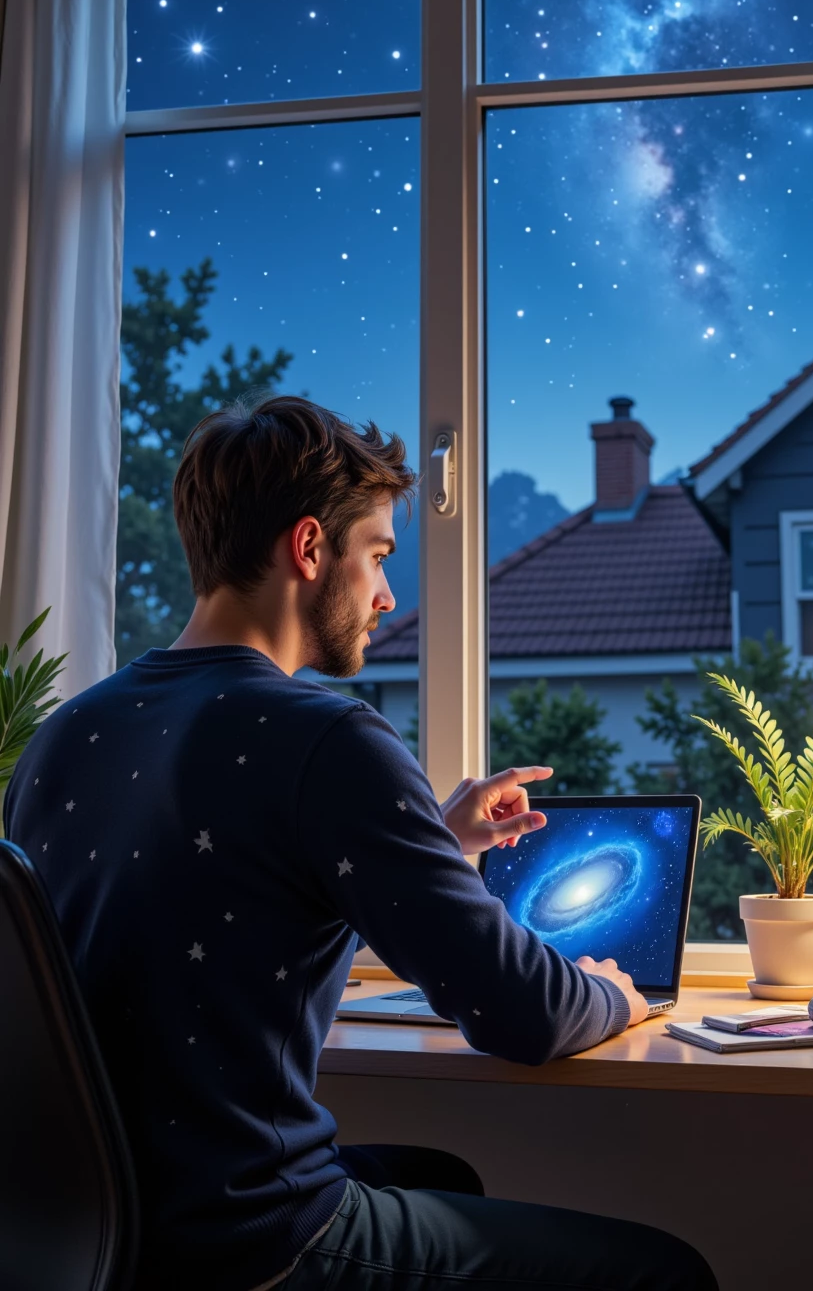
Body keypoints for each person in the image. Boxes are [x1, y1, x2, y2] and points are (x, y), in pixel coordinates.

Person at [4, 394, 716, 1291]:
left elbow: (217, 891)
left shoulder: (66, 736)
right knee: (667, 1274)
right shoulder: (325, 738)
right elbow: (525, 1015)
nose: (387, 595)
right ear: (308, 549)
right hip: (251, 1236)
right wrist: (613, 996)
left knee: (442, 1178)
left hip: (99, 1230)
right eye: (378, 555)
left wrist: (435, 842)